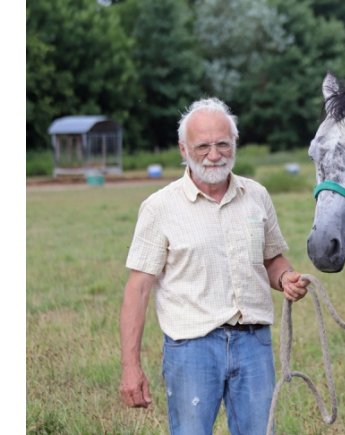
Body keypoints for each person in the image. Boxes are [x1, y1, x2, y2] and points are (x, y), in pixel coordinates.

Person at [118, 97, 309, 434]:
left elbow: (272, 259)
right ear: (183, 149)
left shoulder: (257, 195)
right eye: (203, 146)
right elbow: (138, 289)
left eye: (223, 144)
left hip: (254, 343)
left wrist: (286, 278)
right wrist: (130, 367)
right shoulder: (159, 207)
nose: (214, 154)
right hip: (191, 348)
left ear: (235, 143)